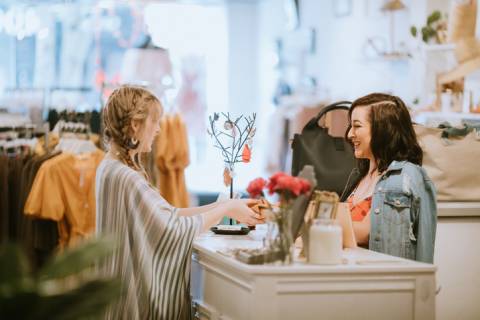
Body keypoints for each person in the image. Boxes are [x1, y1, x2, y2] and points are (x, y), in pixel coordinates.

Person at [95, 85, 263, 320]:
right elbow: (170, 229)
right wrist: (225, 209)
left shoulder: (111, 167)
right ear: (135, 125)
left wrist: (223, 206)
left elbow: (167, 214)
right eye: (155, 122)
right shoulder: (126, 176)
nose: (158, 130)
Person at [343, 93, 436, 263]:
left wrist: (316, 223)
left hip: (385, 281)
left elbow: (364, 232)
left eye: (357, 126)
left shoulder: (406, 176)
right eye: (350, 126)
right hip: (353, 277)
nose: (350, 134)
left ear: (383, 129)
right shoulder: (358, 175)